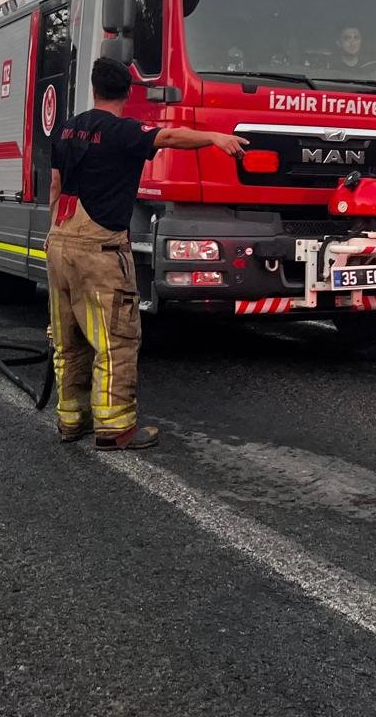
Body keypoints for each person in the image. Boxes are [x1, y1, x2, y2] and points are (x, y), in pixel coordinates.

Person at [46, 56, 247, 450]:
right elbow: (168, 137)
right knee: (115, 339)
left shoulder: (67, 129)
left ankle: (70, 421)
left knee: (68, 340)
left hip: (60, 238)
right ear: (127, 92)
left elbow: (55, 184)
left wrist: (53, 233)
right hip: (100, 247)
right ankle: (115, 428)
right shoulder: (123, 131)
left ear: (94, 88)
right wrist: (214, 138)